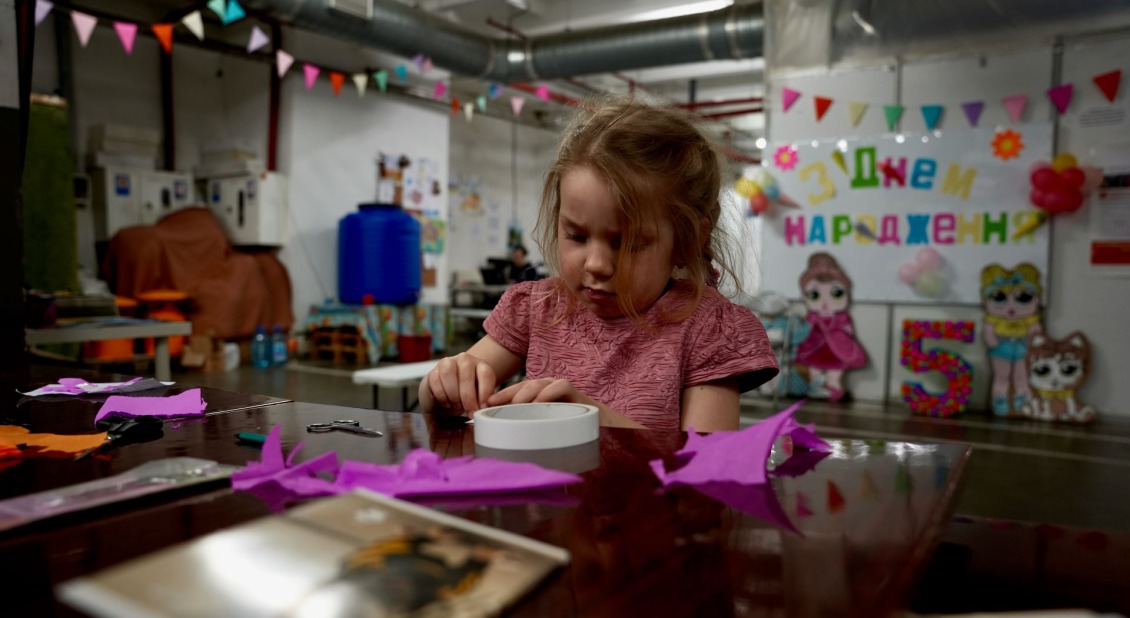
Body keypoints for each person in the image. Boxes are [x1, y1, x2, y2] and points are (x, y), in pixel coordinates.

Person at [419, 95, 778, 432]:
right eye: (576, 236)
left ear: (689, 240)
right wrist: (444, 387)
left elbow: (708, 465)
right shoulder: (536, 309)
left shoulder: (708, 331)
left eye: (628, 244)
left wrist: (595, 423)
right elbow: (445, 400)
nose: (596, 264)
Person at [792, 252, 867, 402]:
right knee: (814, 371)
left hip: (837, 349)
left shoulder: (841, 317)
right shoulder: (812, 317)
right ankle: (816, 390)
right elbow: (804, 330)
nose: (825, 303)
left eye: (836, 294)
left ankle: (834, 391)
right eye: (814, 295)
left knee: (834, 373)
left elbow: (848, 331)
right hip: (814, 348)